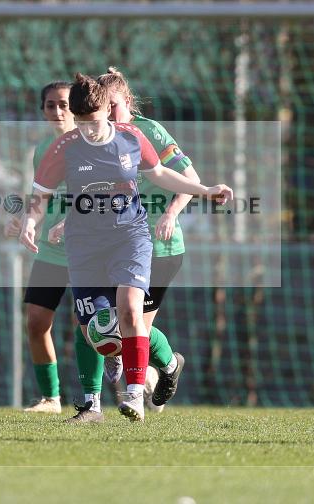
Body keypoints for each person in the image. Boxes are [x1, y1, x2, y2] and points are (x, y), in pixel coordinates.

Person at [20, 72, 232, 422]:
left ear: (107, 110)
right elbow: (40, 197)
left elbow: (161, 174)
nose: (89, 131)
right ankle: (92, 406)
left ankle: (134, 395)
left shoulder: (132, 137)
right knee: (94, 327)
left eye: (95, 122)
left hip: (129, 236)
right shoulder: (64, 147)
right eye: (82, 124)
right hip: (85, 244)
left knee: (131, 309)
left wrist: (205, 190)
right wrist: (30, 221)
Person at [100, 67, 196, 413]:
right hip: (116, 244)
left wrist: (170, 214)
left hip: (159, 247)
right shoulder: (99, 136)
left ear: (127, 101)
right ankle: (150, 379)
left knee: (131, 325)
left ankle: (165, 369)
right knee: (113, 325)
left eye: (113, 106)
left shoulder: (150, 131)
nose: (108, 114)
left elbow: (190, 178)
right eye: (101, 108)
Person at [4, 81, 75, 414]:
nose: (58, 111)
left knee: (97, 326)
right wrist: (24, 220)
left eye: (63, 104)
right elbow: (41, 198)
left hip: (91, 249)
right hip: (51, 250)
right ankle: (51, 398)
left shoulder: (94, 143)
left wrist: (74, 219)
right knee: (36, 321)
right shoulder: (43, 148)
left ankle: (141, 373)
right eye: (50, 105)